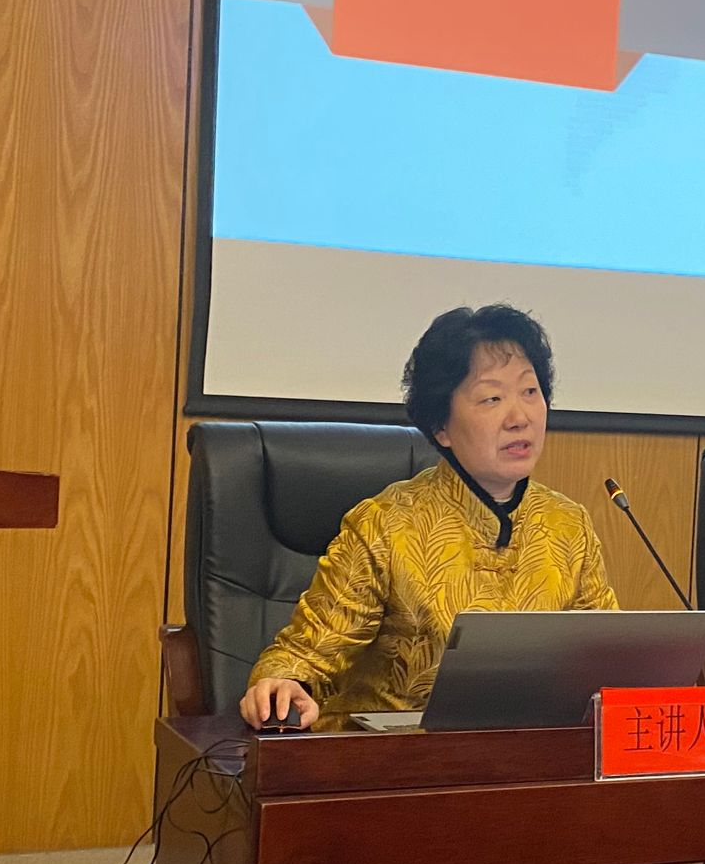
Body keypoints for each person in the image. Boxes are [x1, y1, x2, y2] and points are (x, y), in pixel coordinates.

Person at [238, 304, 618, 726]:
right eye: (492, 398)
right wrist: (285, 684)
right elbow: (302, 656)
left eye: (530, 392)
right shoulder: (385, 526)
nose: (520, 418)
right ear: (441, 427)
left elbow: (606, 662)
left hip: (530, 755)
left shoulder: (568, 525)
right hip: (396, 759)